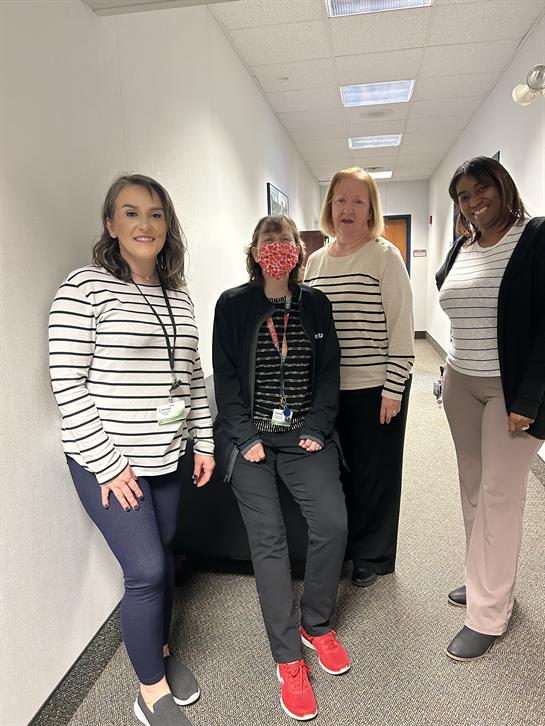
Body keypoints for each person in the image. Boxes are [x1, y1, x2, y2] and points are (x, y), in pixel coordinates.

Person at [49, 174, 215, 726]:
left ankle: (159, 654)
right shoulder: (84, 287)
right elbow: (66, 382)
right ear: (110, 224)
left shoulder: (178, 294)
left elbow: (190, 375)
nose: (145, 225)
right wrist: (108, 462)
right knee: (144, 569)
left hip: (167, 454)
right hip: (109, 462)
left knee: (165, 555)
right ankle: (149, 693)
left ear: (168, 226)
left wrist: (204, 444)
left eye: (155, 214)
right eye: (131, 213)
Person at [212, 214, 349, 722]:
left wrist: (317, 423)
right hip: (248, 437)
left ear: (298, 250)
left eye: (285, 241)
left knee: (332, 523)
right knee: (267, 539)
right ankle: (288, 658)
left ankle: (316, 623)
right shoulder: (232, 305)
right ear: (253, 251)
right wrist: (243, 437)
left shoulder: (315, 304)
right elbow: (225, 378)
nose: (277, 249)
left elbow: (330, 370)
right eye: (268, 241)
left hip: (303, 435)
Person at [436, 156, 545, 661]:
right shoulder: (465, 244)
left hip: (510, 390)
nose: (474, 201)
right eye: (462, 196)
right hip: (460, 381)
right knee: (474, 489)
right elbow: (447, 288)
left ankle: (487, 615)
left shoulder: (537, 236)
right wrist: (462, 237)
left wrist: (529, 399)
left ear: (503, 187)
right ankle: (487, 582)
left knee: (500, 497)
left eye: (482, 190)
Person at [304, 167, 414, 589]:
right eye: (340, 200)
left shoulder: (384, 256)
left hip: (375, 388)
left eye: (358, 201)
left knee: (375, 474)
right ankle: (347, 547)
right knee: (340, 474)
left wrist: (393, 387)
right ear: (330, 206)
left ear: (371, 210)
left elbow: (402, 325)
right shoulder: (314, 262)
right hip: (328, 391)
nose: (348, 208)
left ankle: (374, 555)